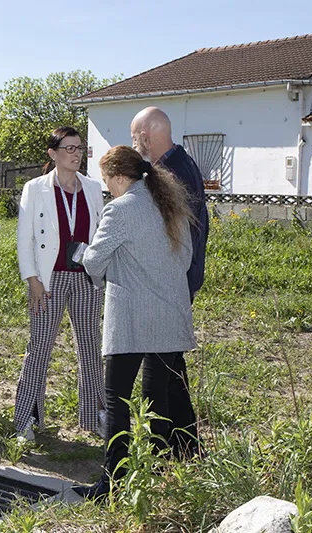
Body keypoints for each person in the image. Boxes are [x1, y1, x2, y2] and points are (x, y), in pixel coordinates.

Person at [73, 145, 196, 498]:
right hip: (170, 318)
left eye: (106, 179)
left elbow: (94, 262)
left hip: (130, 319)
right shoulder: (170, 206)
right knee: (157, 400)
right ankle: (156, 479)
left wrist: (87, 257)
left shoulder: (120, 210)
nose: (106, 186)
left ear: (118, 176)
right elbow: (185, 259)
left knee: (118, 400)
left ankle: (113, 482)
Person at [14, 126, 106, 441]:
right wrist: (33, 279)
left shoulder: (93, 188)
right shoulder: (35, 188)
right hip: (48, 281)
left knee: (91, 347)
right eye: (69, 148)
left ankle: (96, 415)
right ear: (53, 153)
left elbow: (99, 235)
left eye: (79, 148)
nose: (76, 154)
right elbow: (24, 239)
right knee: (39, 347)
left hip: (85, 279)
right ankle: (26, 418)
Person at [130, 107, 209, 458]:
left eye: (135, 137)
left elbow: (172, 238)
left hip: (168, 285)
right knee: (171, 367)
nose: (134, 144)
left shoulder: (169, 173)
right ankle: (186, 447)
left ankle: (161, 451)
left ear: (147, 136)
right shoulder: (182, 163)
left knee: (159, 371)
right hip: (178, 282)